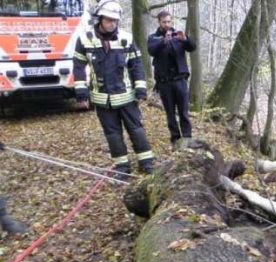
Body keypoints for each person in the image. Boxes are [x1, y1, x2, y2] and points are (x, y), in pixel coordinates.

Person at [73, 0, 154, 179]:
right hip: (102, 99)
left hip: (126, 97)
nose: (112, 24)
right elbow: (78, 66)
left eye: (115, 20)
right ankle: (122, 167)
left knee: (137, 130)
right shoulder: (85, 39)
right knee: (113, 134)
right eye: (109, 20)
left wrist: (141, 89)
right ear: (100, 18)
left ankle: (147, 163)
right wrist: (81, 93)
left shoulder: (126, 38)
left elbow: (137, 65)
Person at [147, 11, 196, 147]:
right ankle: (175, 139)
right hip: (164, 82)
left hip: (180, 80)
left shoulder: (178, 35)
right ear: (159, 22)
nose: (167, 24)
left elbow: (192, 47)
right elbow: (151, 50)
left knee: (184, 111)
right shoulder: (154, 38)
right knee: (170, 113)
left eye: (169, 22)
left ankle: (187, 138)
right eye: (164, 22)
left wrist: (185, 39)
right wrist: (164, 41)